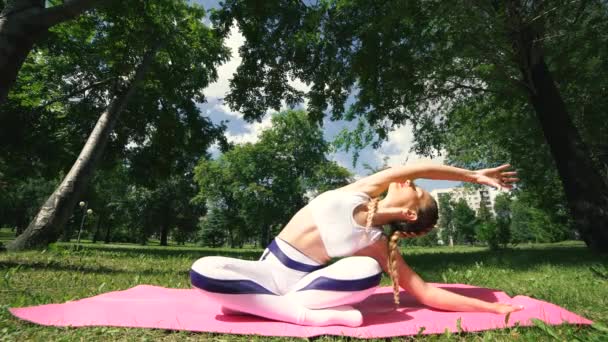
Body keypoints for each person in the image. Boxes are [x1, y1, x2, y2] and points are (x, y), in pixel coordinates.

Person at [190, 163, 522, 327]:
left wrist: (491, 309)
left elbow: (425, 292)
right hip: (266, 273)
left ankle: (288, 311)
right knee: (203, 270)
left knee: (368, 270)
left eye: (418, 191)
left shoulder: (377, 244)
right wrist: (471, 175)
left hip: (301, 288)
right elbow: (417, 165)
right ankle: (284, 310)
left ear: (409, 214)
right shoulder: (361, 190)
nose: (411, 181)